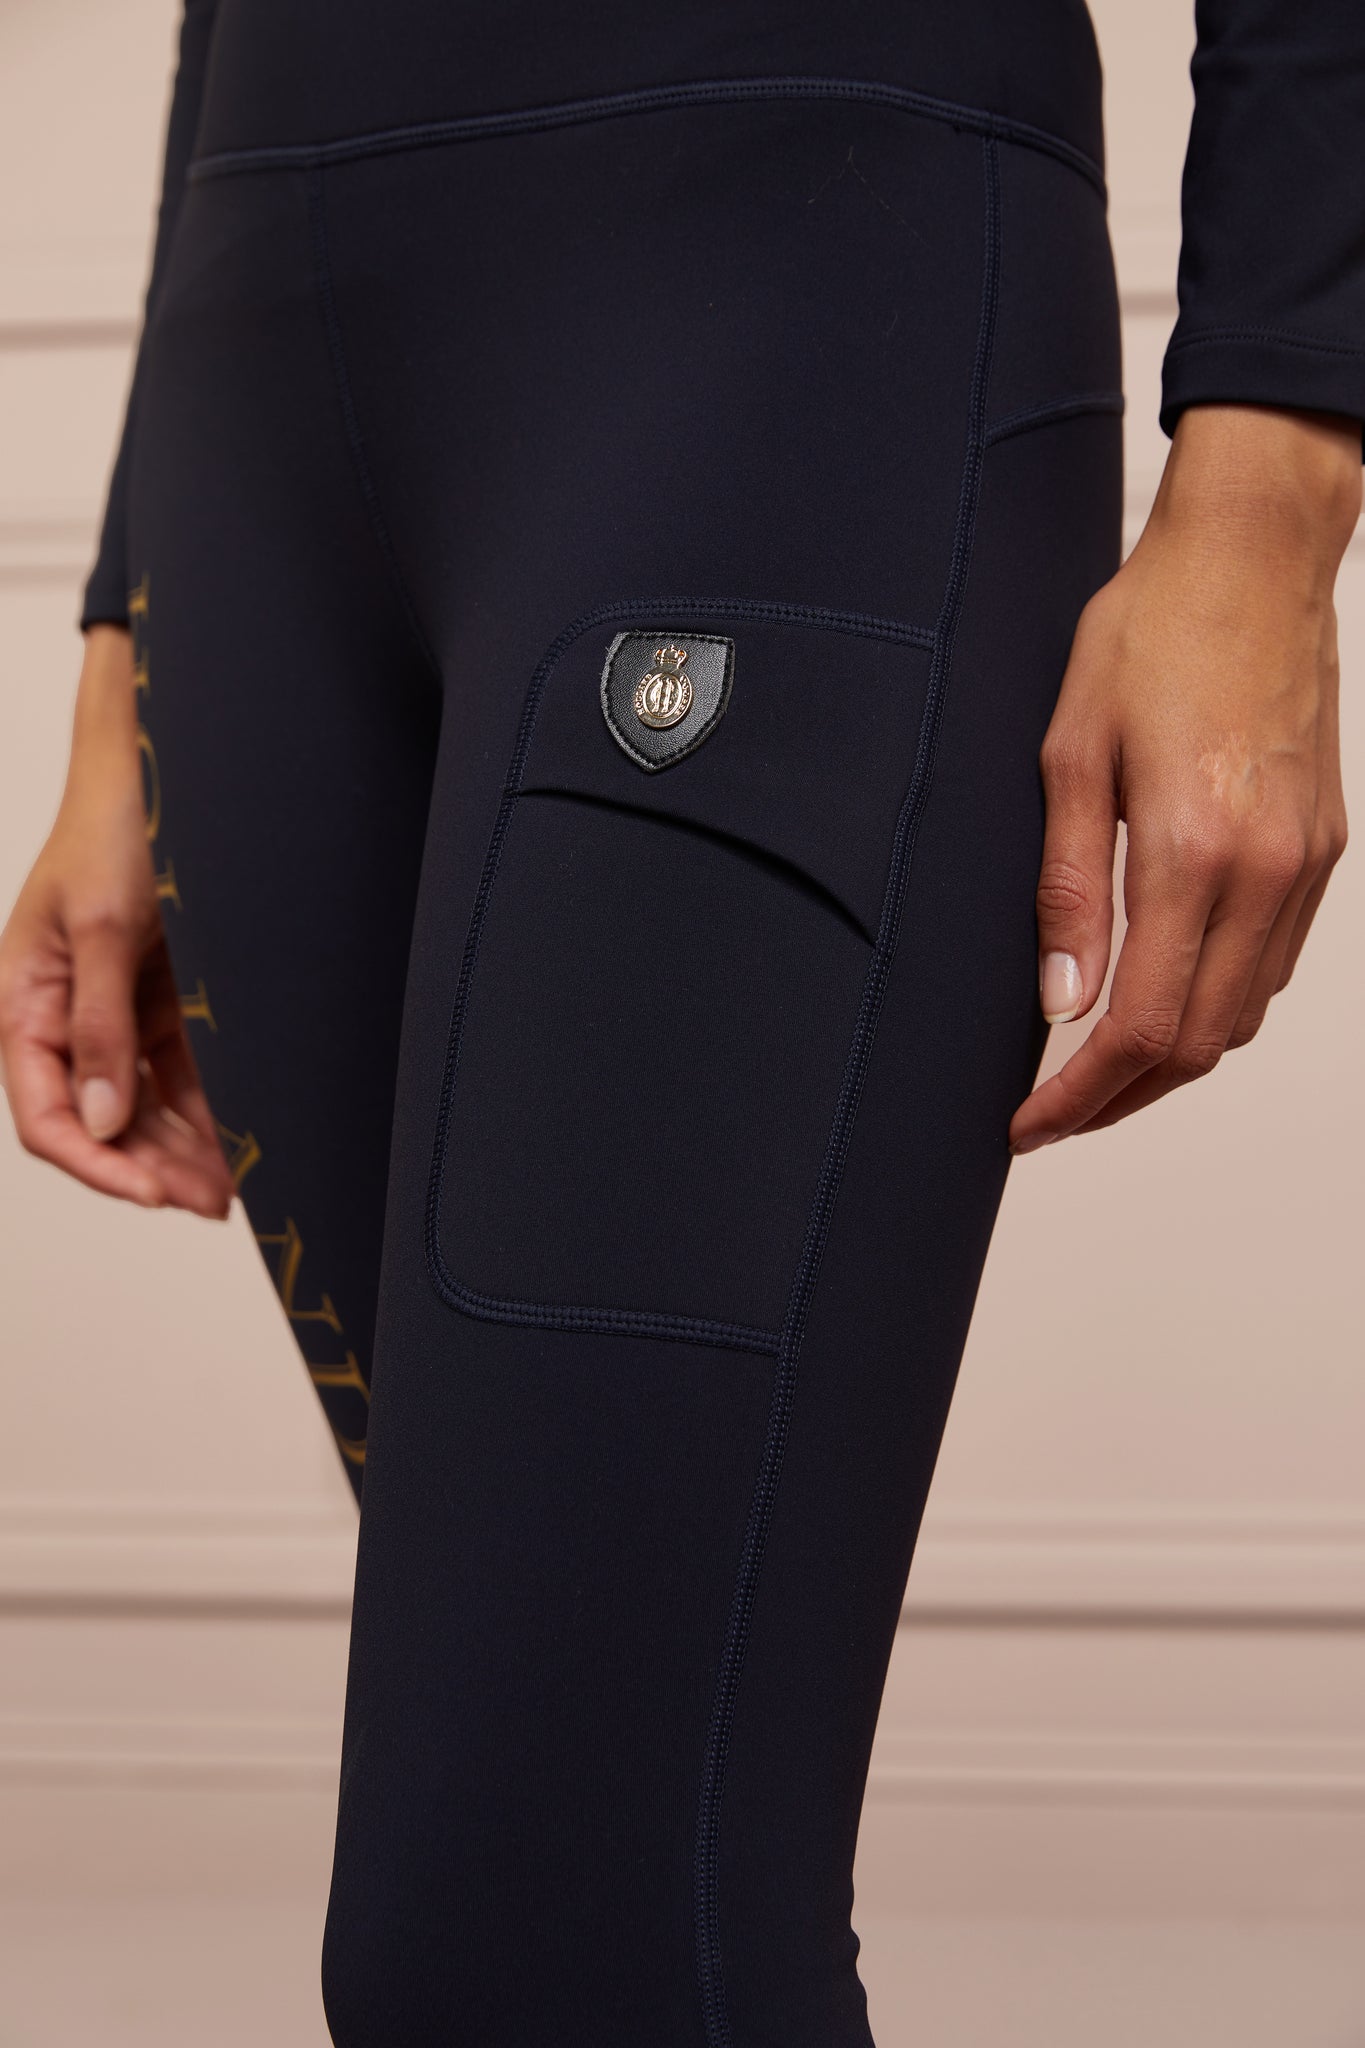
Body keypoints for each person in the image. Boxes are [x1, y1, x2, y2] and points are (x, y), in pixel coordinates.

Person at [0, 2, 1359, 2041]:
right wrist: (124, 658)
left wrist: (1269, 487)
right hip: (250, 402)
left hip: (788, 303)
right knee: (541, 1837)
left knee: (552, 1923)